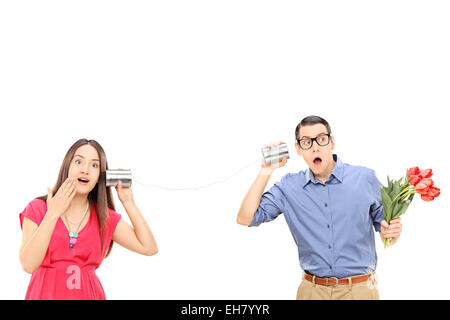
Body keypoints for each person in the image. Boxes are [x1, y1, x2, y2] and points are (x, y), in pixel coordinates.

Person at [236, 115, 402, 300]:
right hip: (312, 291)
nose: (315, 146)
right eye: (307, 142)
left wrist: (392, 232)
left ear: (332, 143)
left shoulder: (365, 179)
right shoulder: (289, 187)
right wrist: (266, 170)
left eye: (321, 139)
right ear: (298, 149)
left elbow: (387, 230)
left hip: (359, 290)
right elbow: (245, 218)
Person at [19, 138, 158, 299]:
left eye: (94, 165)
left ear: (100, 176)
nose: (85, 170)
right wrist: (52, 214)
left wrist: (128, 202)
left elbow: (149, 248)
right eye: (78, 162)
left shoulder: (104, 217)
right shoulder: (38, 208)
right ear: (67, 166)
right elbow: (28, 265)